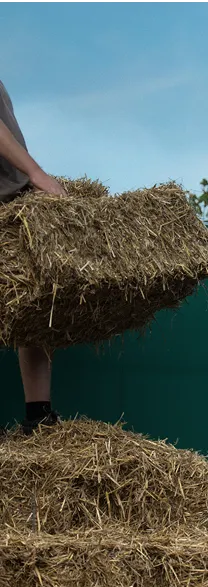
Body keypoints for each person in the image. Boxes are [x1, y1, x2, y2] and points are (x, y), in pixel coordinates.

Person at [0, 77, 66, 435]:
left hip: (12, 199)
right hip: (7, 200)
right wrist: (36, 173)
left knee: (32, 309)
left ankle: (38, 416)